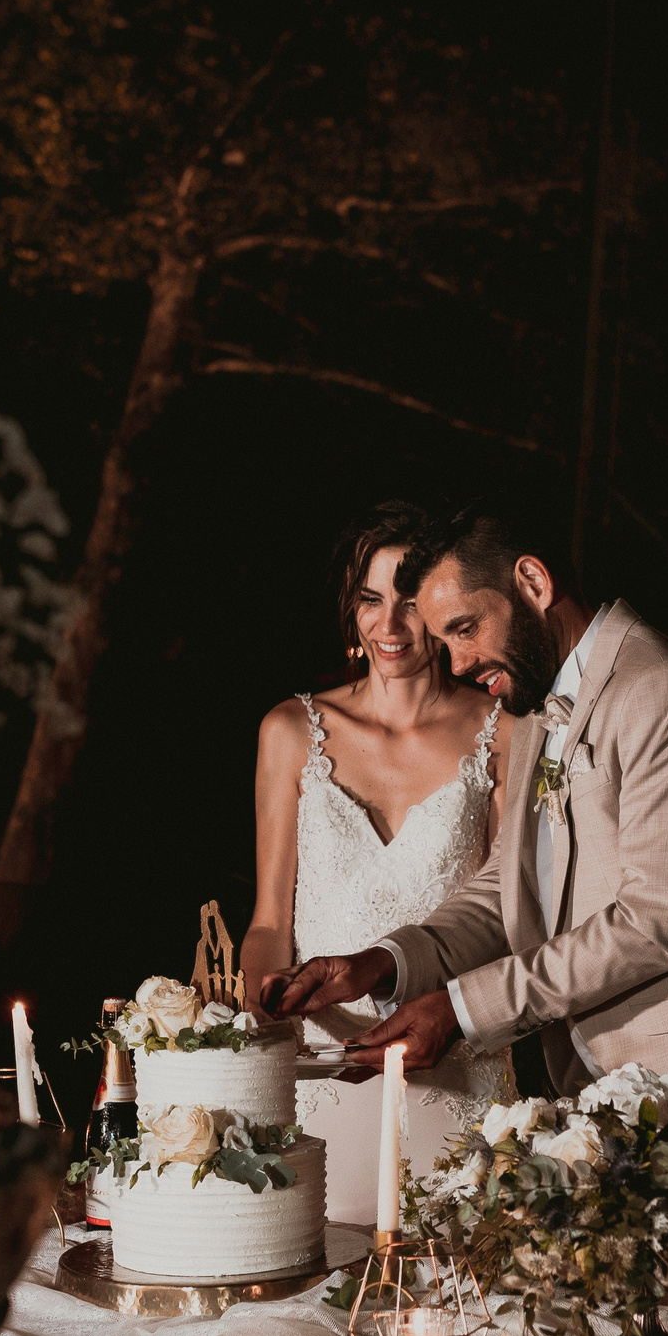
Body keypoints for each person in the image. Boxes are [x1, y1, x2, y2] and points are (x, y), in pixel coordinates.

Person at [260, 504, 668, 1111]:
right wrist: (381, 964)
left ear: (533, 583)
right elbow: (503, 889)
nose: (456, 663)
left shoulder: (666, 690)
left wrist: (459, 1008)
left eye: (465, 628)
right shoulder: (535, 716)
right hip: (611, 1090)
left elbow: (654, 924)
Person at [241, 502, 519, 1225]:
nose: (389, 625)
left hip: (456, 1071)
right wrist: (267, 1017)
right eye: (371, 599)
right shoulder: (289, 730)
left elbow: (510, 913)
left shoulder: (506, 734)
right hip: (325, 1073)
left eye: (408, 601)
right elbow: (270, 921)